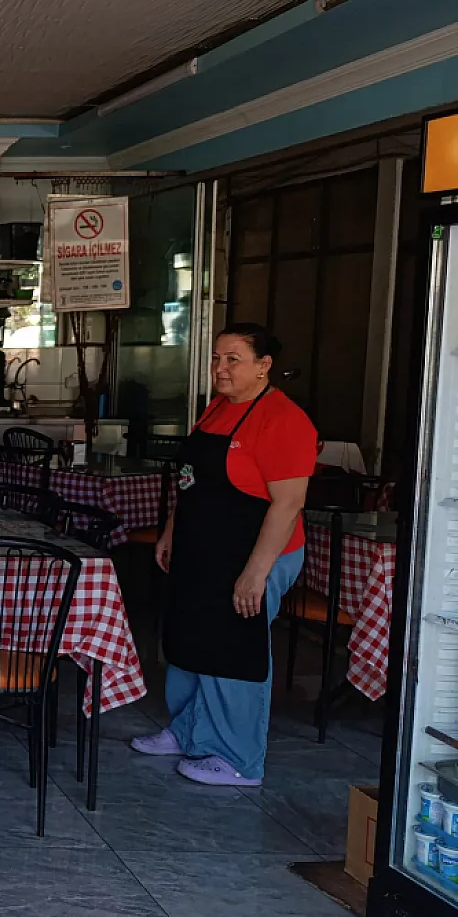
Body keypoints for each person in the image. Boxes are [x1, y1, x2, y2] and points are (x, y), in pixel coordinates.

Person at [132, 324, 317, 787]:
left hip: (254, 554)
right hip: (205, 551)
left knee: (233, 651)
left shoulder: (283, 419)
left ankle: (236, 757)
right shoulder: (216, 409)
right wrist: (172, 531)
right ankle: (189, 731)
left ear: (264, 365)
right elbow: (193, 482)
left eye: (233, 359)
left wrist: (256, 574)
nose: (220, 368)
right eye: (217, 358)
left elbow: (288, 504)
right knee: (192, 642)